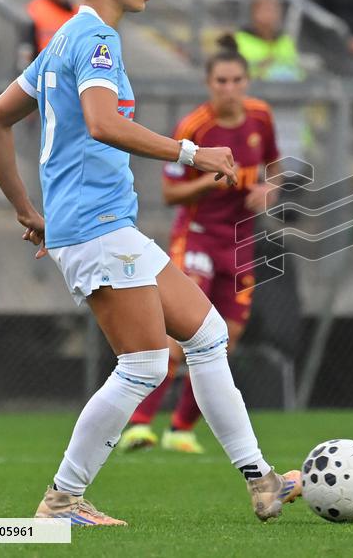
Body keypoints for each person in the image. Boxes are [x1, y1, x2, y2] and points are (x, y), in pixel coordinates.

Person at [0, 0, 300, 525]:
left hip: (102, 224)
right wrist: (191, 153)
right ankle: (61, 499)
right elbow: (102, 123)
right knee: (148, 364)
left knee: (206, 337)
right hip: (96, 227)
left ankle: (260, 480)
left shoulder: (64, 41)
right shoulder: (96, 40)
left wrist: (30, 211)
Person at [116, 50, 280, 454]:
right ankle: (140, 424)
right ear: (209, 85)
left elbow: (275, 166)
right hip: (199, 236)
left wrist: (267, 190)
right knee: (183, 332)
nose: (229, 89)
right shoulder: (194, 127)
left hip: (240, 241)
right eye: (221, 81)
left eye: (236, 80)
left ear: (247, 82)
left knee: (228, 337)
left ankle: (181, 428)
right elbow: (171, 193)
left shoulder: (261, 117)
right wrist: (210, 182)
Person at [230, 0, 303, 82]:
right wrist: (261, 68)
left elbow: (295, 70)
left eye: (274, 11)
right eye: (265, 10)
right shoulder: (237, 40)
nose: (270, 16)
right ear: (253, 13)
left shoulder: (285, 40)